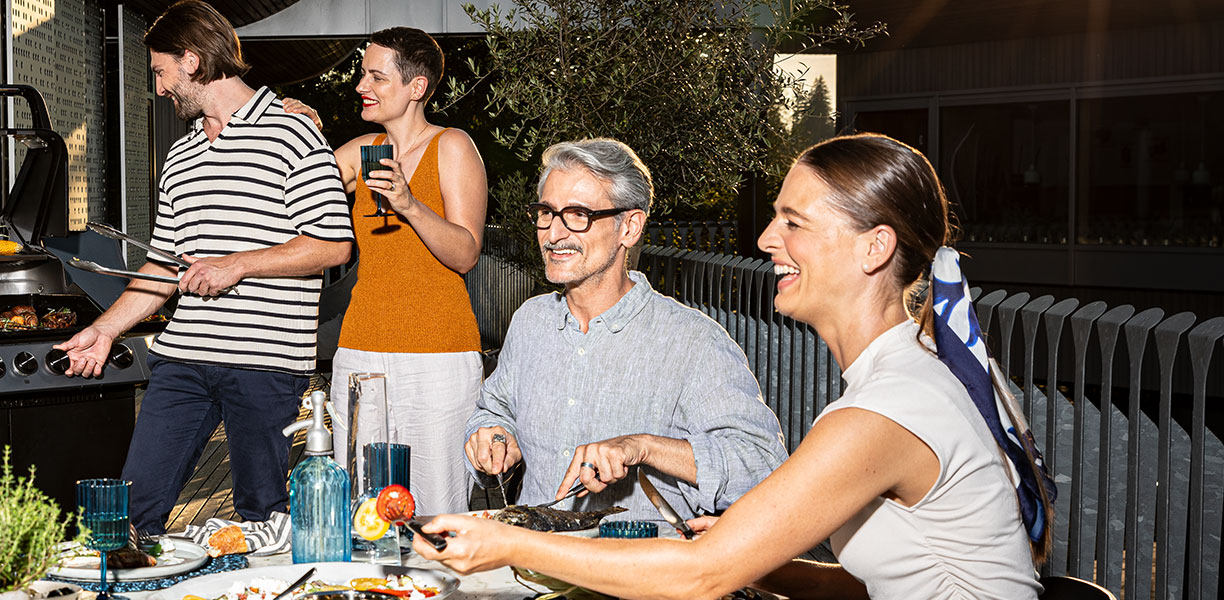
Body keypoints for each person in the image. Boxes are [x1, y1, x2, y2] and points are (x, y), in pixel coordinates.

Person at [419, 134, 1051, 600]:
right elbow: (887, 584)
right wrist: (757, 560)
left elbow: (703, 575)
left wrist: (507, 542)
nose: (765, 239)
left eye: (793, 222)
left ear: (874, 248)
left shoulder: (886, 409)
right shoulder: (900, 380)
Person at [54, 0, 352, 535]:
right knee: (131, 512)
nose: (159, 88)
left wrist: (235, 265)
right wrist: (105, 329)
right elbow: (161, 266)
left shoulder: (294, 134)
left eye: (160, 71)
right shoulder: (180, 156)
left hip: (265, 363)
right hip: (183, 359)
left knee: (263, 516)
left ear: (191, 61)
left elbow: (332, 244)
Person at [461, 138, 785, 524]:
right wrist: (495, 435)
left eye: (578, 214)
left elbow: (764, 467)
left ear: (629, 227)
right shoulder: (530, 321)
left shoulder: (693, 342)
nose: (553, 234)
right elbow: (494, 409)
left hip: (634, 560)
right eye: (546, 212)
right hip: (529, 551)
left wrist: (644, 447)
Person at [279, 27, 488, 517]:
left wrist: (409, 204)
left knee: (436, 507)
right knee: (362, 504)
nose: (361, 86)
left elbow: (466, 253)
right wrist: (302, 134)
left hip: (438, 355)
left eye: (376, 76)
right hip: (360, 350)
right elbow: (293, 190)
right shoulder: (362, 150)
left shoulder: (452, 146)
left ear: (417, 87)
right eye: (362, 74)